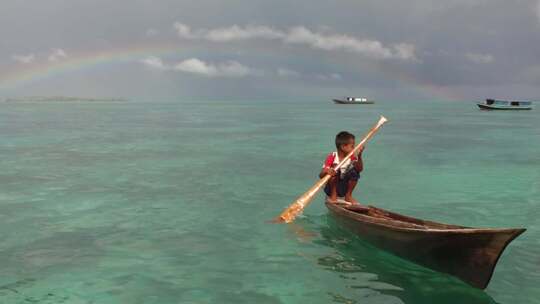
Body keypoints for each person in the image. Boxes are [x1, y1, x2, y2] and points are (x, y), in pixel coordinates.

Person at [319, 131, 364, 205]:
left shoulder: (351, 157)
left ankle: (348, 196)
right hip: (330, 188)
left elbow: (359, 169)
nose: (354, 148)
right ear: (343, 147)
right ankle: (334, 195)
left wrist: (359, 156)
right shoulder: (332, 157)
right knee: (335, 168)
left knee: (354, 171)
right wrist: (327, 171)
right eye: (352, 146)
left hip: (343, 187)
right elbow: (321, 175)